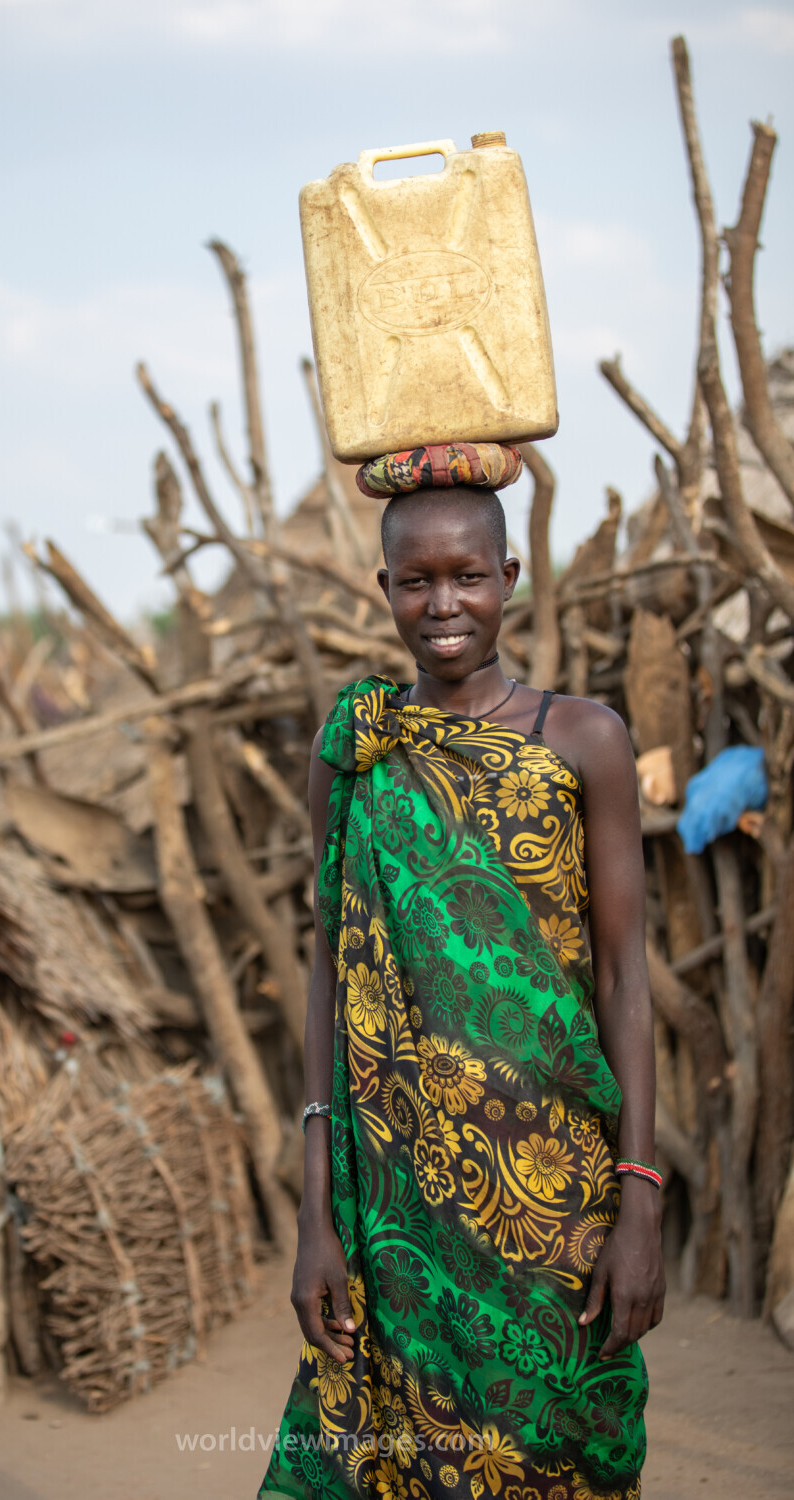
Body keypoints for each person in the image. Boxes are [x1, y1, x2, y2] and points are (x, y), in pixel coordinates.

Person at [259, 481, 664, 1500]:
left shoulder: (584, 740)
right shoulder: (354, 751)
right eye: (416, 581)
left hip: (557, 1194)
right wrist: (318, 1212)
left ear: (510, 579)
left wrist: (640, 1201)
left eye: (468, 577)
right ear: (382, 587)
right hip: (398, 1205)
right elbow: (329, 970)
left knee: (564, 1447)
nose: (443, 604)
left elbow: (623, 979)